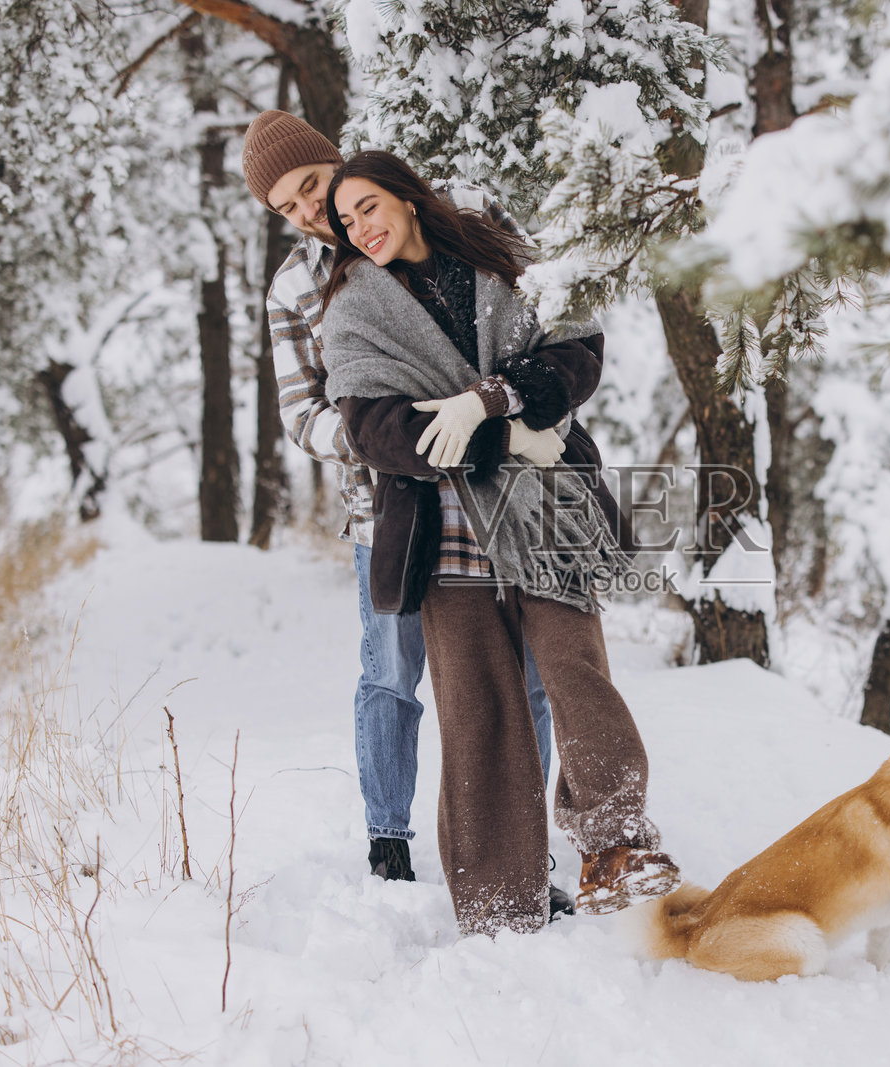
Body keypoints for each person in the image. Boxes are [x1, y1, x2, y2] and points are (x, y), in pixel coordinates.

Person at [319, 150, 681, 937]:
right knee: (477, 706)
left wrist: (496, 399)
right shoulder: (352, 310)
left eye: (371, 207)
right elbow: (373, 429)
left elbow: (577, 351)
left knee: (575, 669)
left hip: (543, 502)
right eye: (348, 221)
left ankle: (616, 842)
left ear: (409, 200)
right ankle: (497, 903)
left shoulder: (500, 257)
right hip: (441, 528)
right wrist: (489, 441)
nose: (362, 228)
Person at [240, 112, 566, 910]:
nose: (310, 213)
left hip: (505, 493)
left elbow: (543, 311)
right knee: (392, 671)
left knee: (525, 676)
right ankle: (389, 839)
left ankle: (528, 849)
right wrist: (405, 436)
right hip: (387, 507)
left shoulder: (442, 216)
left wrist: (498, 418)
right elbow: (302, 416)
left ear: (339, 166)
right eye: (287, 208)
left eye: (312, 187)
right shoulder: (294, 286)